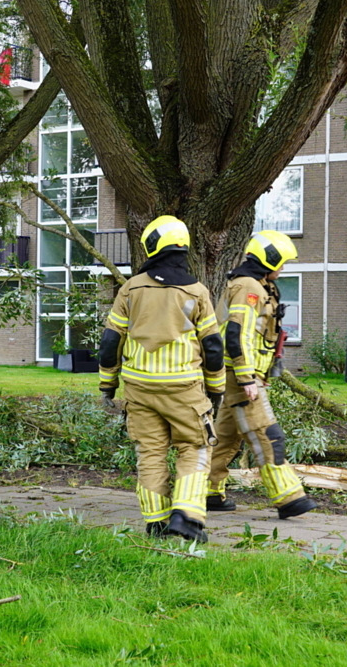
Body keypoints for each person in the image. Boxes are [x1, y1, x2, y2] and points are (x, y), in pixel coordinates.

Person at [98, 216, 225, 543]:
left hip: (139, 388)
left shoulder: (131, 288)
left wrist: (108, 384)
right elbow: (213, 346)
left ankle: (156, 522)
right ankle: (187, 516)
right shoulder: (196, 291)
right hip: (184, 388)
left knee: (150, 452)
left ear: (152, 246)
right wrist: (216, 388)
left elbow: (110, 341)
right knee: (195, 447)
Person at [207, 231, 318, 519]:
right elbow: (238, 334)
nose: (283, 268)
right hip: (240, 376)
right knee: (267, 434)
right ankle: (289, 498)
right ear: (269, 259)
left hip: (238, 373)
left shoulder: (255, 284)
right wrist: (247, 377)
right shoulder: (248, 287)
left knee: (225, 437)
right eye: (282, 262)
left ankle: (208, 491)